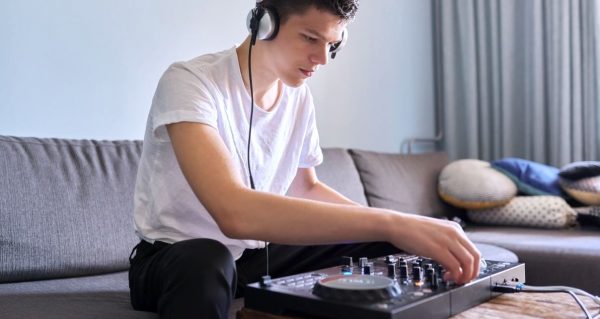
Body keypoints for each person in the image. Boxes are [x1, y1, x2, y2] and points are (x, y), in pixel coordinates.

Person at [128, 1, 481, 318]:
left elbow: (305, 189)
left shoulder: (298, 99)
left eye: (332, 44)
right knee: (208, 260)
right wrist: (390, 220)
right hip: (176, 259)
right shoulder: (189, 81)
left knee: (398, 242)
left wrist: (406, 226)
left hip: (254, 258)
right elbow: (233, 212)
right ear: (265, 23)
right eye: (310, 38)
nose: (323, 59)